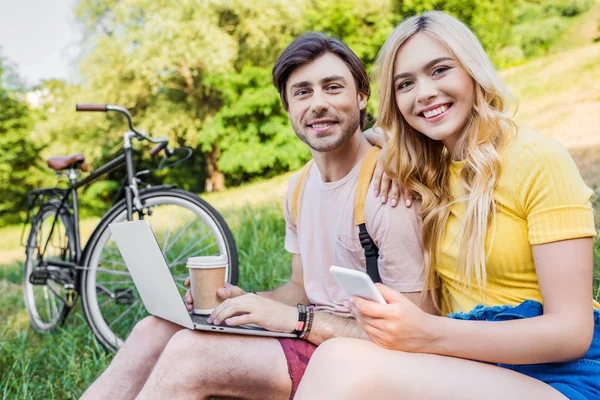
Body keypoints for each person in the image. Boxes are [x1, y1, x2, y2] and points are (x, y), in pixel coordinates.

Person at [81, 32, 435, 400]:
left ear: (362, 97)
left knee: (191, 356)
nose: (318, 103)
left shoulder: (387, 187)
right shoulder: (300, 187)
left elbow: (415, 331)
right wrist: (243, 301)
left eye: (333, 87)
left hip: (360, 354)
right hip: (314, 333)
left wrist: (298, 320)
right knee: (153, 330)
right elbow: (300, 288)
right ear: (287, 107)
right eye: (302, 92)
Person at [295, 11, 600, 400]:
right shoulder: (427, 172)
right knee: (338, 355)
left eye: (439, 70)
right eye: (406, 83)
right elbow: (384, 137)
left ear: (472, 72)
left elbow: (572, 332)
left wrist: (424, 332)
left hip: (563, 376)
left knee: (343, 362)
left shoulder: (538, 159)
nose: (423, 93)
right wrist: (384, 144)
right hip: (472, 367)